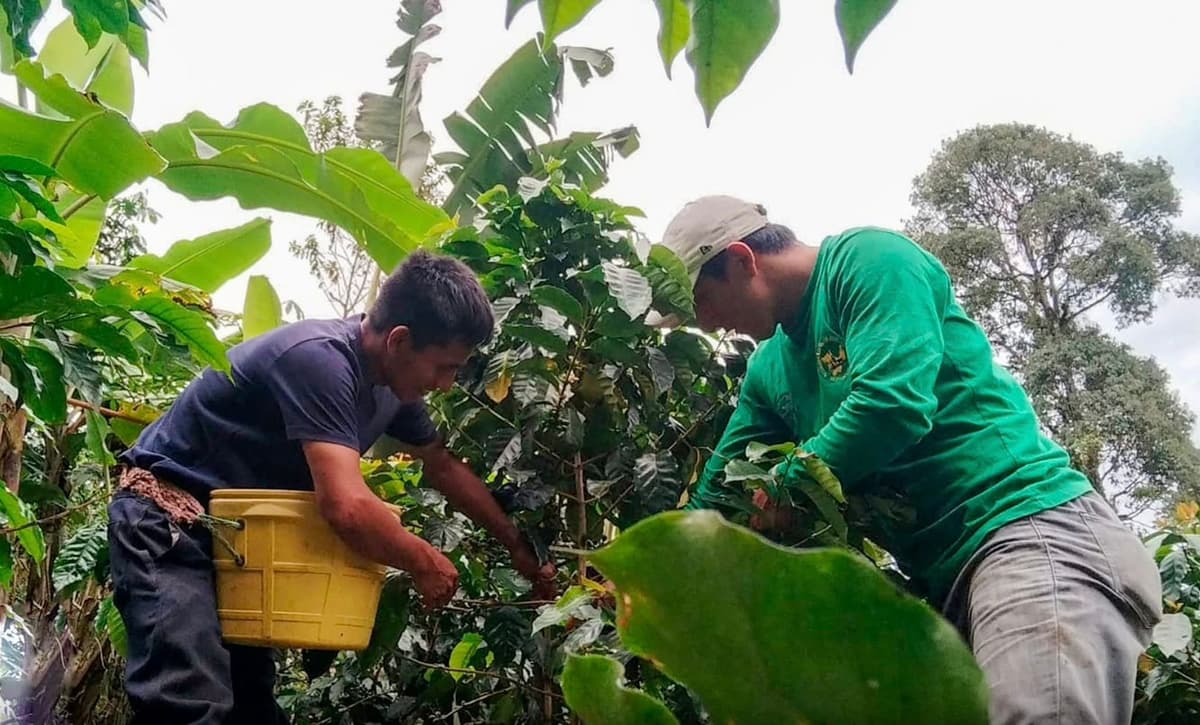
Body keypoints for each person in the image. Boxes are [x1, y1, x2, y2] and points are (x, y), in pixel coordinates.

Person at [647, 195, 1163, 724]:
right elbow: (719, 493)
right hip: (948, 585)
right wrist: (653, 573)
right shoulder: (769, 369)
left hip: (1029, 534)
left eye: (702, 302)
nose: (706, 325)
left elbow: (891, 405)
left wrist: (786, 483)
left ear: (741, 260)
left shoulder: (868, 260)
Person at [107, 250, 557, 725]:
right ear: (400, 341)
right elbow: (345, 507)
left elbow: (441, 467)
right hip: (167, 524)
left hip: (235, 541)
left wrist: (517, 546)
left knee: (251, 712)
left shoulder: (388, 384)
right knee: (187, 706)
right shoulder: (319, 360)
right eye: (443, 367)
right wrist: (424, 561)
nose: (446, 384)